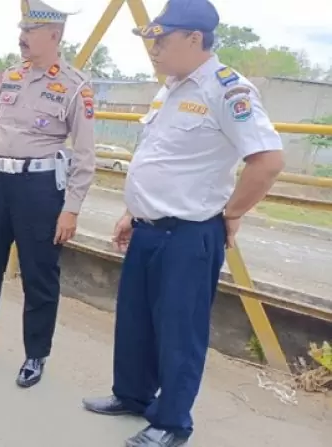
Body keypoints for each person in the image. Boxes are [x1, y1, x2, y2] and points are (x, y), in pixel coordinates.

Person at [80, 1, 285, 445]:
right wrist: (132, 213)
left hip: (190, 234)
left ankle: (172, 423)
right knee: (135, 321)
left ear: (195, 39)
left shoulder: (228, 90)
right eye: (151, 40)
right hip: (148, 229)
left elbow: (267, 161)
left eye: (162, 40)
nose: (153, 49)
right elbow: (162, 159)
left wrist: (230, 213)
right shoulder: (171, 88)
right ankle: (133, 396)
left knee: (179, 331)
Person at [0, 0, 96, 388]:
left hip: (40, 190)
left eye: (30, 32)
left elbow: (84, 155)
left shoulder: (74, 87)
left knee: (39, 276)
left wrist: (72, 210)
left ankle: (35, 355)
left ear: (54, 36)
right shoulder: (8, 78)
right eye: (22, 30)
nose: (22, 37)